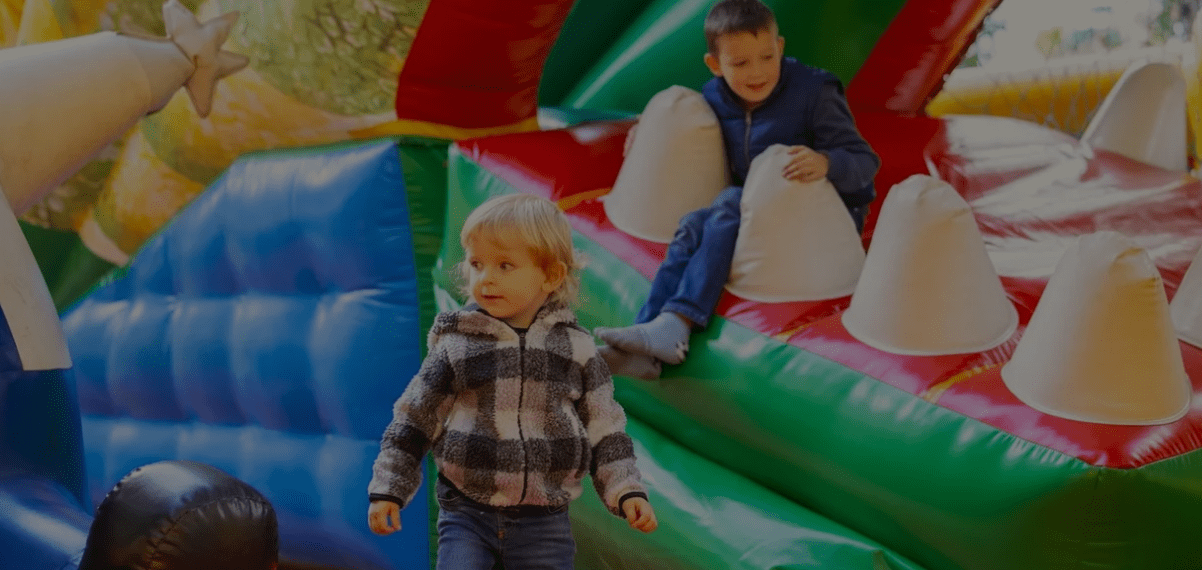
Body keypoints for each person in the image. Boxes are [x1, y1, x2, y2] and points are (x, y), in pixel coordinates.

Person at [366, 193, 658, 568]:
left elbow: (606, 429)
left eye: (505, 265)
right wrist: (389, 487)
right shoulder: (458, 345)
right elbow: (414, 418)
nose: (486, 278)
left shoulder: (576, 349)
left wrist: (625, 489)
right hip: (467, 512)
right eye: (477, 264)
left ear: (551, 275)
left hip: (544, 522)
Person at [598, 0, 881, 378]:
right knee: (693, 225)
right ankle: (646, 338)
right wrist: (646, 132)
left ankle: (678, 321)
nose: (757, 72)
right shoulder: (715, 98)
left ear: (780, 47)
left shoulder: (815, 91)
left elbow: (865, 162)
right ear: (716, 66)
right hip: (755, 213)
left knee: (729, 200)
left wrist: (827, 163)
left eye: (766, 57)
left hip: (822, 219)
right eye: (741, 63)